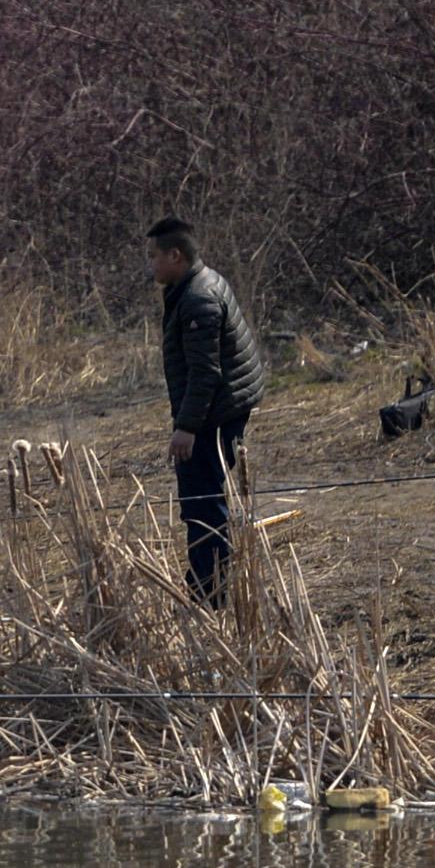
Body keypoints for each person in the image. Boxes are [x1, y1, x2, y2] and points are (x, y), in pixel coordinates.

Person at [148, 216, 265, 606]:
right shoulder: (198, 283)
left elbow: (206, 373)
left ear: (175, 256)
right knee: (203, 502)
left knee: (202, 506)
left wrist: (186, 428)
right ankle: (207, 588)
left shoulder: (198, 298)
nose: (152, 265)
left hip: (214, 415)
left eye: (156, 257)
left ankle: (209, 595)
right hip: (219, 409)